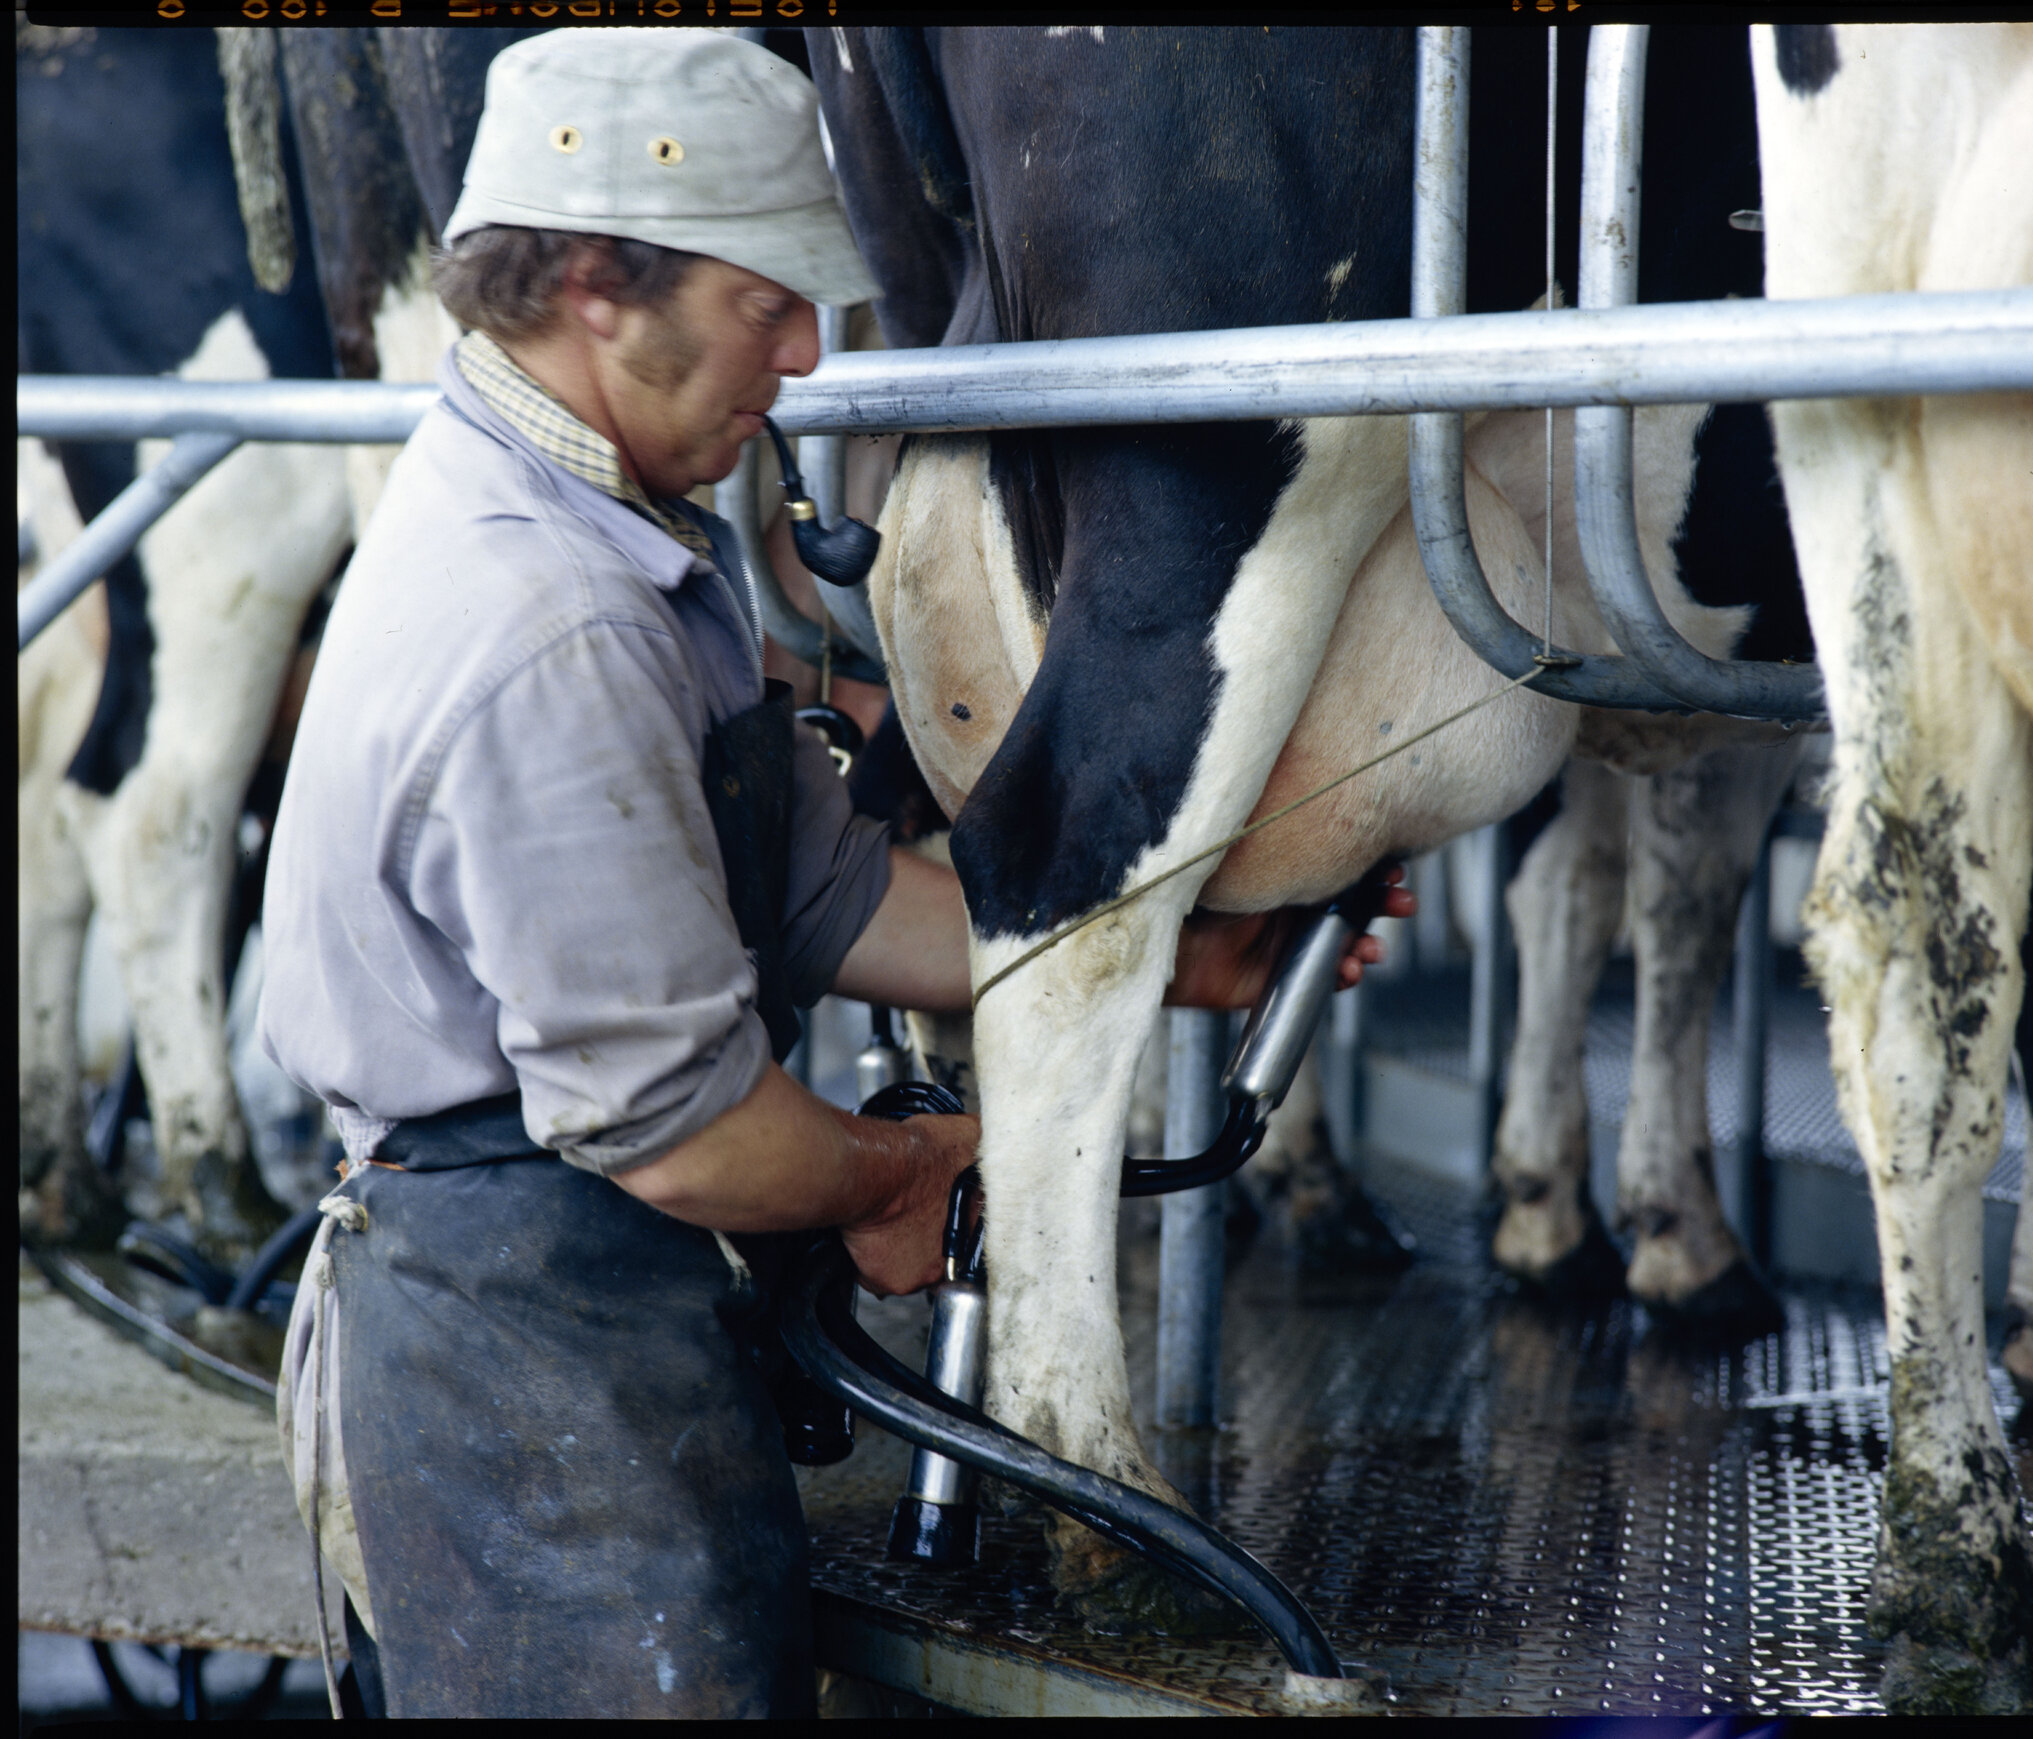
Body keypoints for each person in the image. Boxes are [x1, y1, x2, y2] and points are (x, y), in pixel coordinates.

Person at [261, 29, 1404, 1719]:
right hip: (517, 1358)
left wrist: (1172, 960)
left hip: (584, 1295)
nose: (804, 356)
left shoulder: (610, 529)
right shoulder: (548, 623)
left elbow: (824, 897)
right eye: (768, 300)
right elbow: (678, 1127)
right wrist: (893, 1175)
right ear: (593, 283)